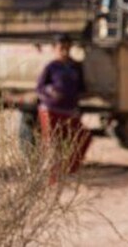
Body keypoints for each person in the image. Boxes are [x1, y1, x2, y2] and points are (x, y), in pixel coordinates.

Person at [35, 33, 91, 177]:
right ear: (55, 49)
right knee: (53, 144)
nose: (64, 51)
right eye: (61, 48)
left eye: (67, 47)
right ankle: (52, 177)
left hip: (69, 111)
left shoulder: (75, 67)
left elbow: (81, 89)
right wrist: (51, 92)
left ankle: (69, 170)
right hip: (51, 110)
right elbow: (40, 88)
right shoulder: (52, 67)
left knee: (82, 137)